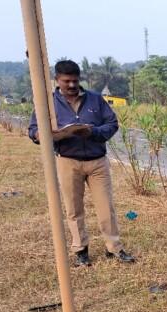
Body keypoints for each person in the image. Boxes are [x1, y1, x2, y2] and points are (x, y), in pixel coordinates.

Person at [28, 60, 135, 266]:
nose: (71, 85)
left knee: (106, 208)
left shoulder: (96, 100)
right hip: (68, 160)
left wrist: (92, 132)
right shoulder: (48, 103)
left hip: (97, 162)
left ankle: (114, 248)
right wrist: (41, 134)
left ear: (80, 79)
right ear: (57, 80)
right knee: (74, 209)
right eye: (66, 81)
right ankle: (81, 250)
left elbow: (112, 124)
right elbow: (33, 129)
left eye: (75, 81)